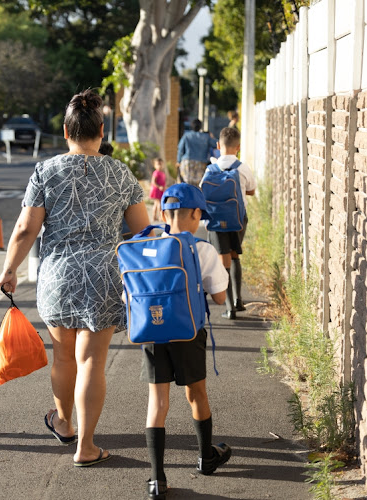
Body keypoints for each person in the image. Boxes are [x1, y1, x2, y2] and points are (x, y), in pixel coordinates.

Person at [0, 89, 150, 467]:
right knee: (92, 363)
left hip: (58, 276)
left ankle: (64, 423)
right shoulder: (120, 172)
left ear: (66, 132)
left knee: (63, 356)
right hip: (105, 277)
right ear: (101, 130)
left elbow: (24, 230)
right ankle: (87, 445)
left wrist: (10, 268)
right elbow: (143, 232)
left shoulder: (45, 170)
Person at [140, 183, 230, 500]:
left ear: (164, 213)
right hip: (188, 331)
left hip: (152, 332)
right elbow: (220, 298)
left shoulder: (147, 248)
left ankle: (156, 480)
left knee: (158, 403)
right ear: (194, 213)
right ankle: (206, 457)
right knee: (197, 394)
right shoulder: (202, 249)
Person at [202, 126, 257, 319]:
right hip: (238, 219)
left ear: (218, 145)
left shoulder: (210, 169)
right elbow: (251, 190)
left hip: (216, 220)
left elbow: (203, 191)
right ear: (238, 147)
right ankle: (238, 300)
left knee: (222, 261)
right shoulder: (242, 167)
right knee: (235, 256)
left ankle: (229, 308)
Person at [176, 119, 217, 187]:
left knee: (187, 184)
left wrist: (178, 161)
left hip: (187, 162)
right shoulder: (206, 137)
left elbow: (180, 149)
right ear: (200, 127)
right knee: (198, 185)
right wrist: (212, 137)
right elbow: (216, 144)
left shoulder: (186, 136)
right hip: (201, 163)